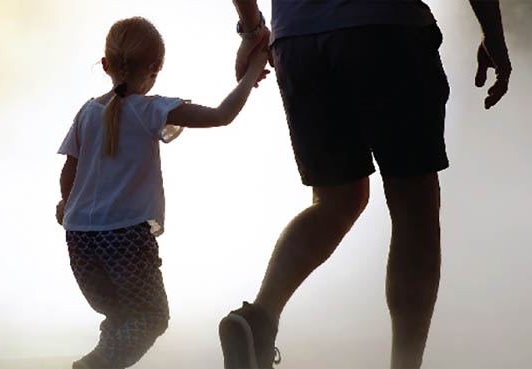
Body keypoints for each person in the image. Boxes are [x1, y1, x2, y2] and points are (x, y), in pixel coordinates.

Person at [219, 1, 511, 368]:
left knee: (336, 200)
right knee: (413, 206)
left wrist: (251, 29)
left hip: (297, 39)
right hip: (385, 28)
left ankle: (259, 318)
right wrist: (493, 35)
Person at [56, 16, 268, 369]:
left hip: (79, 240)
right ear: (156, 67)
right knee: (152, 316)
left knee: (120, 316)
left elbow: (69, 171)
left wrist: (66, 203)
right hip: (124, 237)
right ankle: (94, 366)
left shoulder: (87, 113)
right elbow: (221, 115)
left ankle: (100, 362)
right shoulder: (151, 109)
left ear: (106, 64)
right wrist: (251, 73)